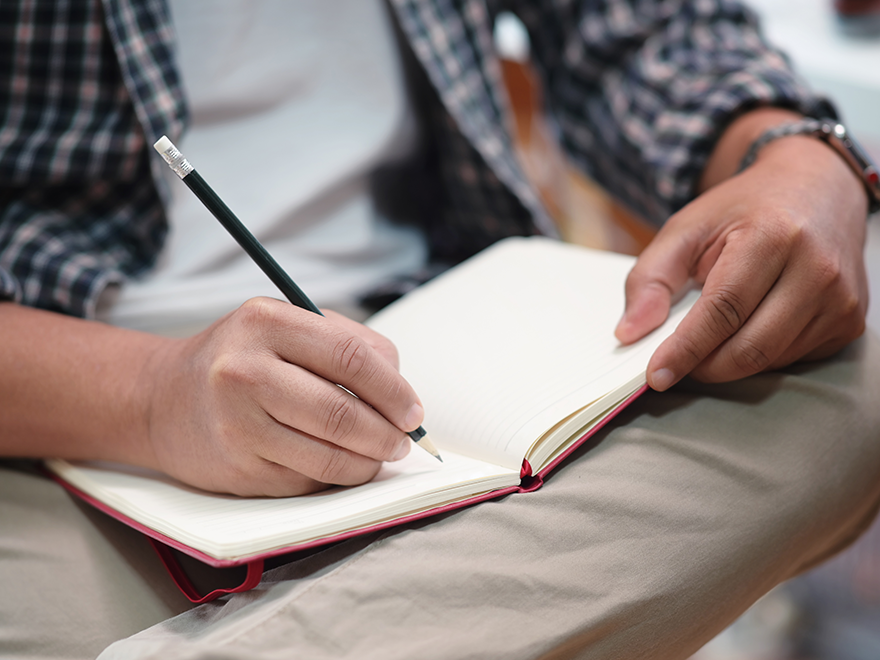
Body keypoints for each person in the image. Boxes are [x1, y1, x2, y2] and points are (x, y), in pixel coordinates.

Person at [1, 0, 879, 658]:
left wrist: (796, 155)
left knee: (847, 366)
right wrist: (149, 399)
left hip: (443, 319)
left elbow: (641, 31)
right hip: (63, 412)